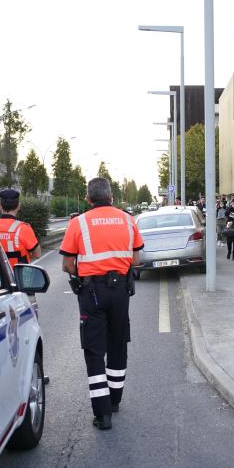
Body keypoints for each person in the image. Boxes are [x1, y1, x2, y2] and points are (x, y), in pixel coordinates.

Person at [60, 177, 144, 431]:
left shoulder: (78, 223)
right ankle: (115, 400)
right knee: (118, 343)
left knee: (95, 350)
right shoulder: (128, 220)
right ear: (111, 197)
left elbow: (67, 264)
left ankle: (103, 413)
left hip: (91, 292)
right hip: (120, 291)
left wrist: (83, 274)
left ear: (88, 198)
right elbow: (137, 260)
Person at [0, 189, 41, 268]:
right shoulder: (23, 228)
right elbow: (37, 254)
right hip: (19, 276)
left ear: (0, 206)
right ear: (19, 206)